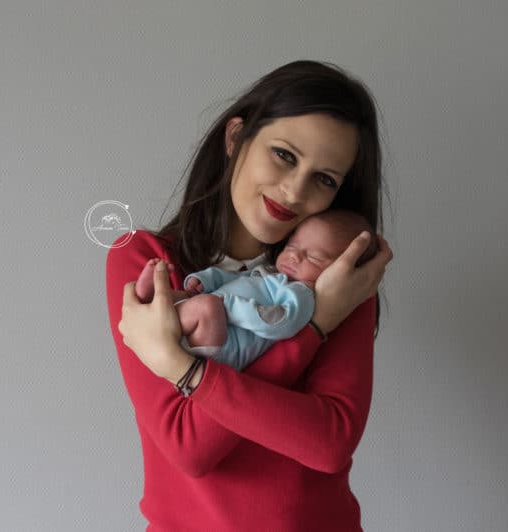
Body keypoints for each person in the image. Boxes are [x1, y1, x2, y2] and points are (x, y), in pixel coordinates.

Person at [106, 60, 393, 531]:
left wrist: (184, 370)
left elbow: (329, 443)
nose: (294, 190)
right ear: (236, 137)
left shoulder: (339, 277)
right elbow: (189, 448)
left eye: (325, 179)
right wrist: (315, 326)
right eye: (284, 154)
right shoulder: (149, 262)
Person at [133, 209, 378, 372]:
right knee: (189, 298)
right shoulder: (270, 273)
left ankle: (154, 306)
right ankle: (152, 297)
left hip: (225, 348)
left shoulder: (301, 294)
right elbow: (231, 278)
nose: (293, 255)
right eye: (292, 245)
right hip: (211, 322)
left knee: (204, 306)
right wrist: (204, 281)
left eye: (313, 257)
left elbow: (279, 322)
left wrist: (226, 305)